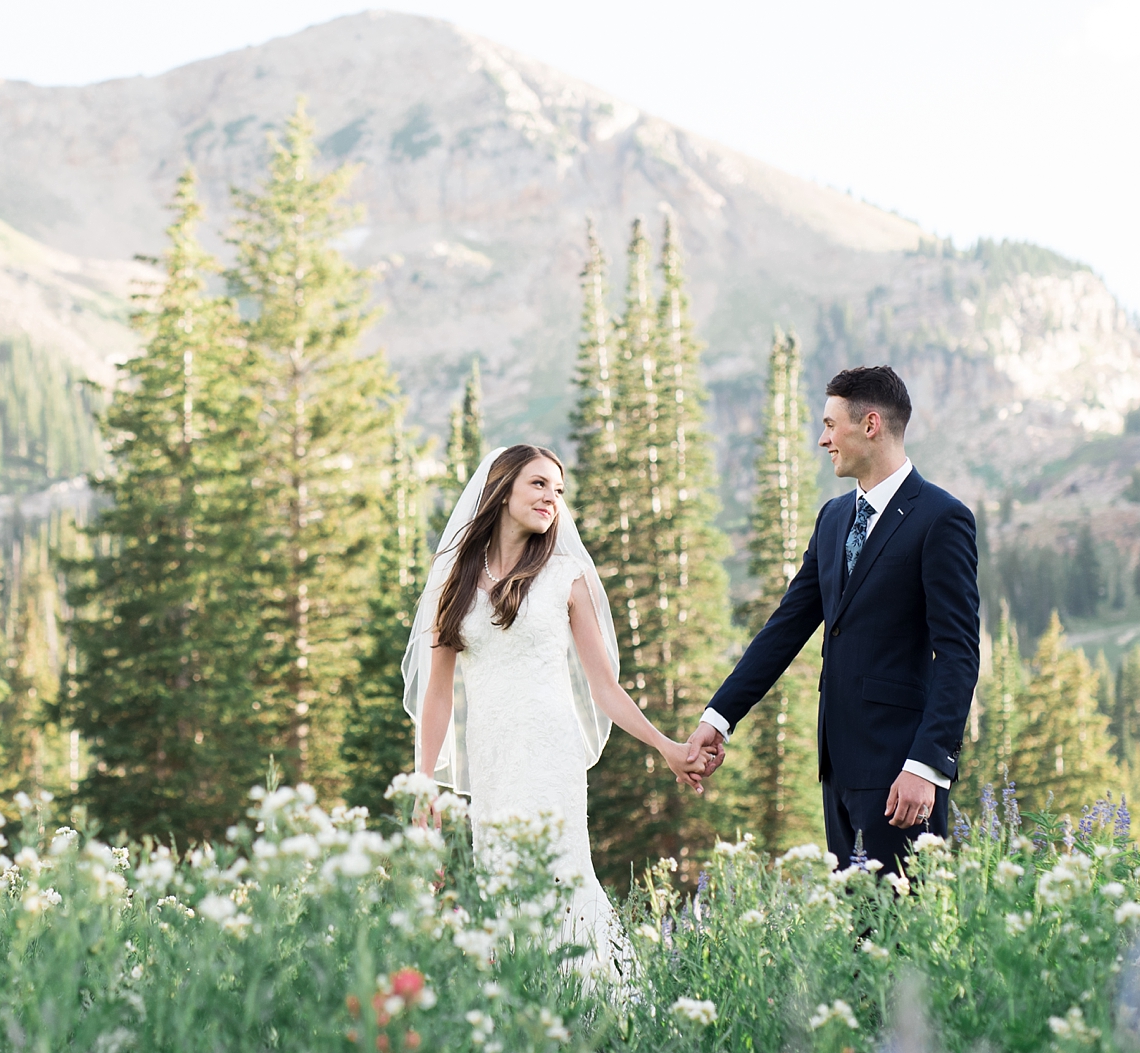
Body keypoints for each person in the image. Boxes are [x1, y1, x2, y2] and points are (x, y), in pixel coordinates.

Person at [403, 444, 697, 971]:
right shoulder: (455, 579)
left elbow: (605, 688)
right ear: (502, 488)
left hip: (550, 752)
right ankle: (521, 1009)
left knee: (561, 875)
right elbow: (438, 695)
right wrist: (424, 785)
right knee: (501, 879)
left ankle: (595, 1011)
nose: (551, 498)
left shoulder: (565, 576)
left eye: (558, 490)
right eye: (539, 484)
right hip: (493, 756)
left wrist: (667, 747)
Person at [685, 366, 978, 874]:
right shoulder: (833, 518)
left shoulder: (941, 518)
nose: (822, 440)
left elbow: (957, 652)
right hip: (837, 769)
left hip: (901, 775)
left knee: (902, 938)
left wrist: (927, 766)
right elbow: (786, 628)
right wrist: (719, 718)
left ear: (869, 425)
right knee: (857, 942)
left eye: (829, 425)